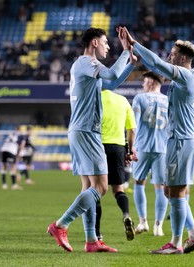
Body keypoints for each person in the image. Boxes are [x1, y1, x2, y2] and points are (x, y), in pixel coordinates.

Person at [46, 27, 136, 253]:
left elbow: (112, 84)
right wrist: (125, 51)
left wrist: (132, 64)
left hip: (80, 130)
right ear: (94, 43)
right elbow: (112, 74)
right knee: (102, 187)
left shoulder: (85, 68)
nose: (108, 46)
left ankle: (91, 240)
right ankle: (61, 225)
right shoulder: (87, 62)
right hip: (88, 131)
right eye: (106, 43)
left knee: (88, 186)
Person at [120, 27, 194, 254]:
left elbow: (157, 64)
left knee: (175, 193)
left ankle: (176, 243)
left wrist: (133, 44)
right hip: (181, 140)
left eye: (173, 53)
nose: (170, 56)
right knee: (169, 190)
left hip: (181, 141)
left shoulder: (186, 75)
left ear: (183, 58)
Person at [96, 87, 138, 242]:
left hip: (99, 146)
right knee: (118, 189)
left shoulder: (95, 98)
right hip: (118, 147)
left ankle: (97, 233)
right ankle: (126, 214)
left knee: (96, 191)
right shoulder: (123, 100)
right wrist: (129, 150)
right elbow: (132, 130)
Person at [131, 71, 169, 237]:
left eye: (145, 81)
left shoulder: (140, 98)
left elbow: (134, 124)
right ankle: (158, 226)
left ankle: (142, 221)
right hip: (162, 148)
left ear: (152, 82)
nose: (143, 84)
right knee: (160, 187)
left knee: (139, 183)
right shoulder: (169, 101)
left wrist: (130, 147)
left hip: (142, 147)